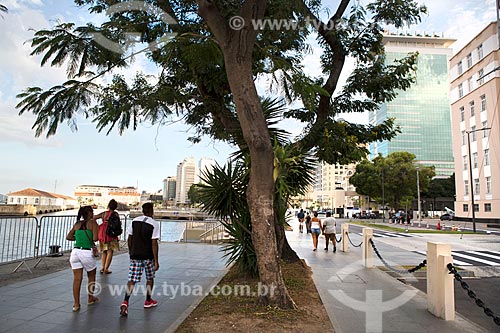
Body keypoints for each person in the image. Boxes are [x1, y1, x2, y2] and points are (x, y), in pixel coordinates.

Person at [120, 202, 160, 317]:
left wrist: (130, 251)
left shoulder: (134, 221)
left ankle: (125, 301)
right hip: (148, 256)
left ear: (143, 211)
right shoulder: (154, 224)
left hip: (135, 255)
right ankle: (148, 300)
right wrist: (156, 261)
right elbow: (154, 243)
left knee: (131, 279)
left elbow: (129, 238)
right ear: (152, 211)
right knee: (150, 278)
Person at [66, 205, 100, 312]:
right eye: (92, 211)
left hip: (75, 252)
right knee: (91, 275)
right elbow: (95, 238)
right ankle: (90, 298)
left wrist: (78, 237)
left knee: (77, 279)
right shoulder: (92, 223)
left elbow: (68, 237)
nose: (93, 213)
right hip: (86, 252)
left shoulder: (77, 224)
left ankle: (76, 304)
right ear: (89, 213)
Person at [95, 199, 121, 274]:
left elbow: (94, 217)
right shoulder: (116, 214)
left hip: (103, 232)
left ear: (108, 205)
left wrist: (99, 226)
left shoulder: (104, 214)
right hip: (111, 233)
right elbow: (118, 225)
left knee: (104, 251)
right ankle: (106, 268)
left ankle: (102, 267)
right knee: (110, 251)